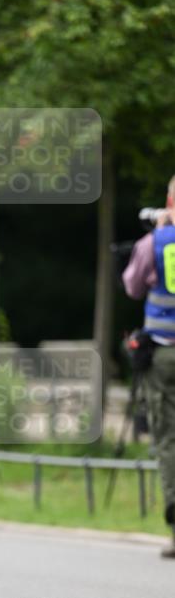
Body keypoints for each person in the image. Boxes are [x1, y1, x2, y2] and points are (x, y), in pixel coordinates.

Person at [122, 174, 175, 558]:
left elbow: (132, 287)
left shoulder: (152, 243)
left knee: (168, 439)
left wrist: (160, 232)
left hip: (162, 354)